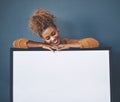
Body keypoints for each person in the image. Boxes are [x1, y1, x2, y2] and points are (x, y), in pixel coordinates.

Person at [13, 9, 99, 51]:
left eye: (53, 33)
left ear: (57, 29)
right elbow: (16, 43)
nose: (52, 39)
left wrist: (69, 45)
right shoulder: (43, 47)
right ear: (43, 39)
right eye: (47, 38)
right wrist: (42, 45)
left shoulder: (68, 42)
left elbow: (94, 42)